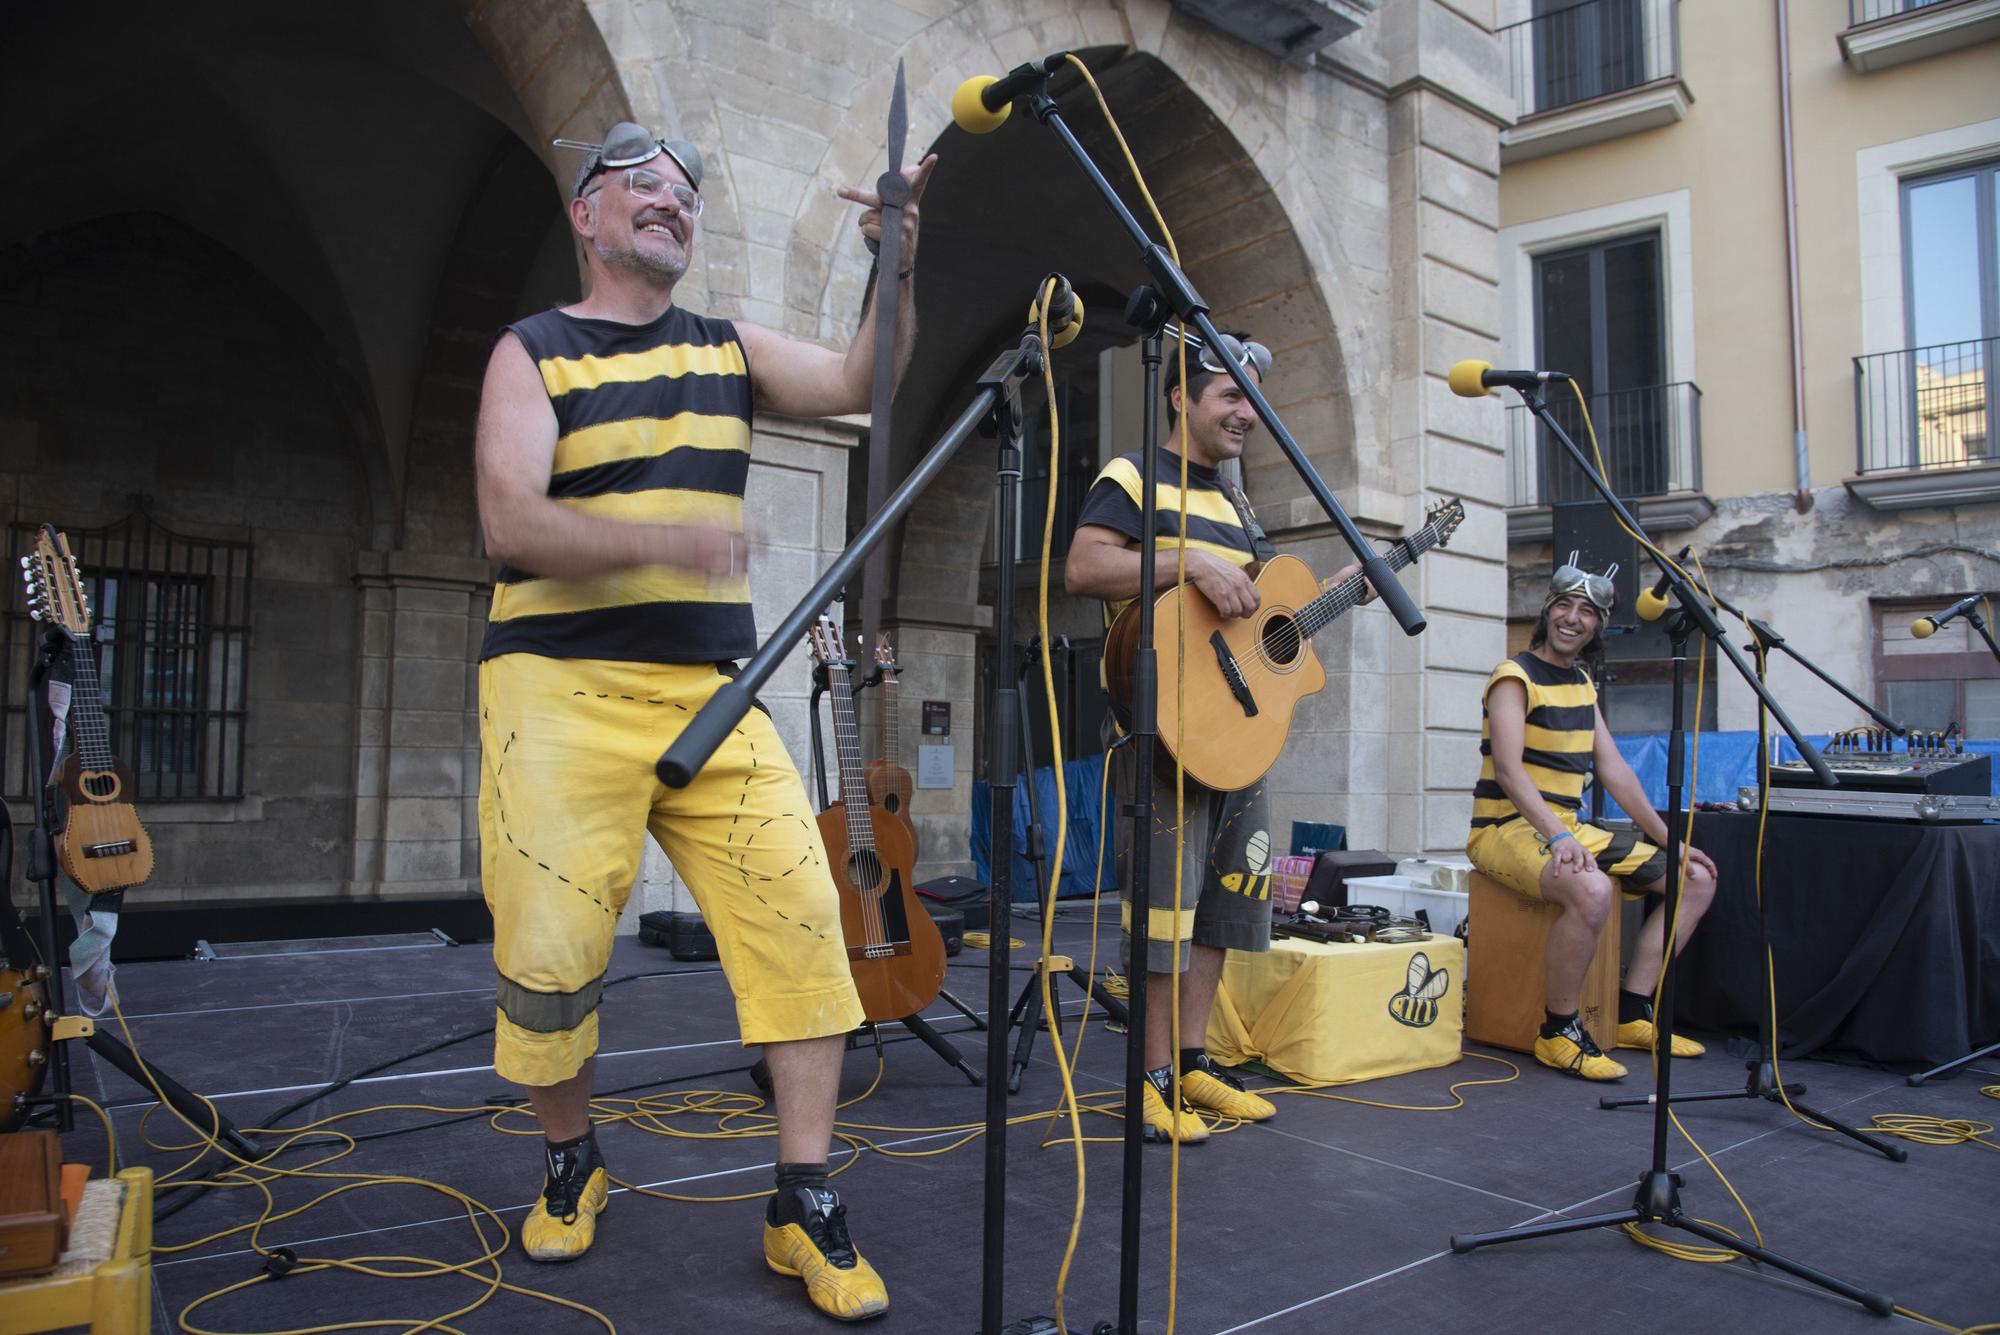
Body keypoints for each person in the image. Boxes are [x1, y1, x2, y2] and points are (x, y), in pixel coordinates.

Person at [473, 120, 934, 1321]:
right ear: (585, 215)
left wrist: (897, 257)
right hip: (555, 691)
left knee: (805, 922)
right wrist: (660, 540)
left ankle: (800, 1198)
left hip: (713, 693)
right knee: (553, 952)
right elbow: (510, 526)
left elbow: (855, 385)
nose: (668, 199)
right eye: (640, 186)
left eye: (683, 190)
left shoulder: (725, 344)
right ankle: (572, 1161)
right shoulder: (532, 352)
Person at [1065, 333, 1369, 1143]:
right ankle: (1150, 1075)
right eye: (1230, 394)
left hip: (1239, 733)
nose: (1247, 411)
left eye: (1253, 398)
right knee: (1164, 910)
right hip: (1164, 723)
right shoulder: (1132, 476)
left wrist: (1336, 595)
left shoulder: (1240, 502)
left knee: (1228, 905)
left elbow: (1269, 615)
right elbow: (1086, 568)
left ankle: (1194, 1061)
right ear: (1180, 396)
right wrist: (1188, 560)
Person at [1466, 554, 1718, 1081]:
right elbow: (1511, 772)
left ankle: (1631, 1012)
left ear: (1598, 626)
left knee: (1695, 878)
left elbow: (1616, 771)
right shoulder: (1512, 676)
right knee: (1593, 890)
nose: (1572, 617)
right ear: (1547, 611)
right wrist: (1558, 835)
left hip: (1566, 827)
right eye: (1564, 604)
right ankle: (1558, 1031)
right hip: (1505, 828)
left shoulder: (1582, 683)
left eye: (1586, 610)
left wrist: (1671, 842)